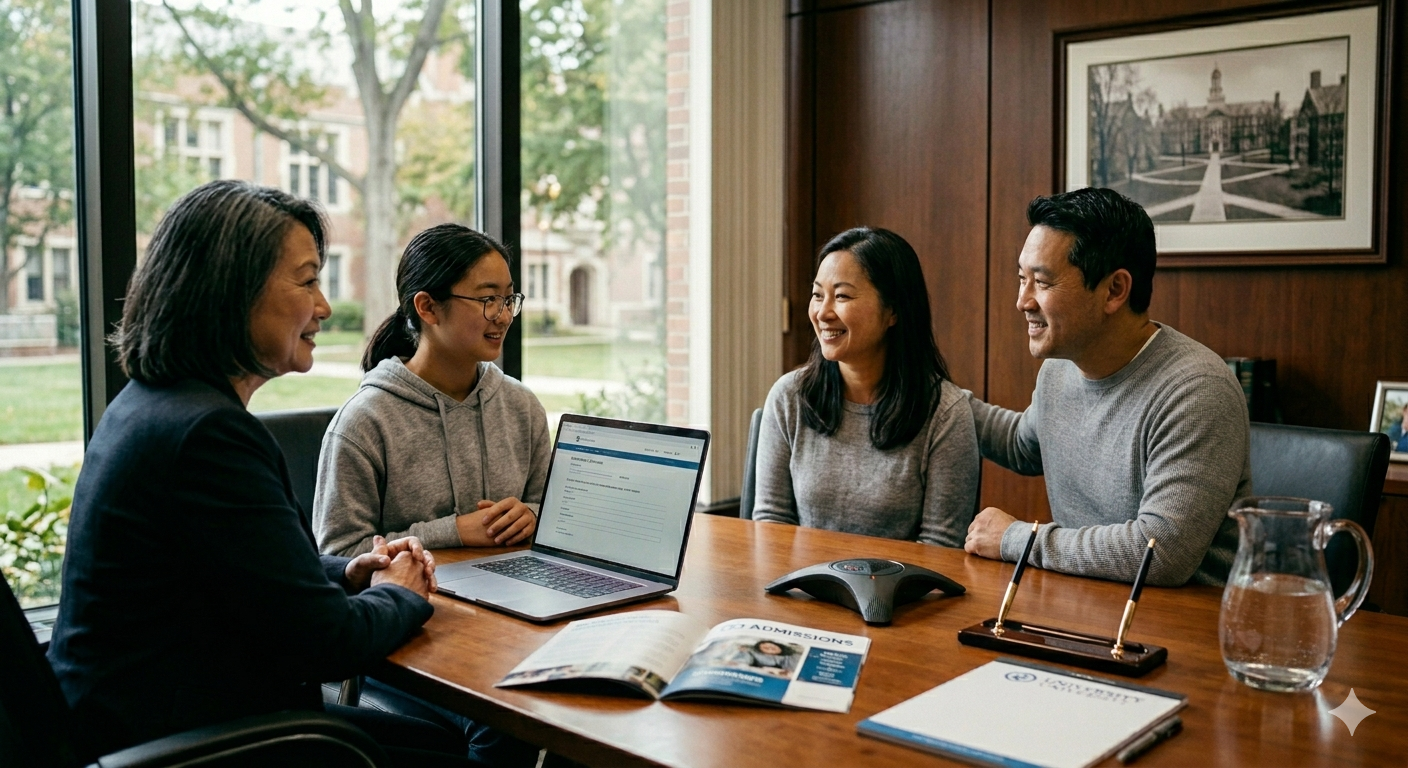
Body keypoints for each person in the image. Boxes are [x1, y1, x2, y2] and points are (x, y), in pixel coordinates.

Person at [45, 180, 461, 764]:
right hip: (195, 742)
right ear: (233, 290)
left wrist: (347, 573)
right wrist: (399, 593)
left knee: (441, 742)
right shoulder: (209, 435)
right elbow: (327, 645)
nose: (323, 306)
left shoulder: (152, 404)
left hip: (142, 724)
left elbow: (236, 567)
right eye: (308, 279)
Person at [964, 187, 1250, 587]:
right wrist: (929, 392)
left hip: (1183, 627)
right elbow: (1021, 444)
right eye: (1021, 279)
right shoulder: (1059, 370)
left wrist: (1019, 539)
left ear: (1115, 290)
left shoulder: (1198, 390)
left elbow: (1160, 551)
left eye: (1042, 283)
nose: (1022, 301)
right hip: (1087, 608)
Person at [313, 224, 549, 558]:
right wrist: (453, 532)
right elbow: (338, 554)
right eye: (488, 299)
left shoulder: (522, 406)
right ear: (427, 307)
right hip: (414, 605)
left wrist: (531, 516)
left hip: (516, 599)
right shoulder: (363, 423)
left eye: (508, 298)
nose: (504, 315)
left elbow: (550, 512)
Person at [752, 227, 980, 546]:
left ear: (893, 311)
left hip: (897, 594)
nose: (822, 312)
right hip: (800, 592)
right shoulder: (789, 396)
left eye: (842, 295)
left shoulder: (945, 414)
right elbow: (771, 526)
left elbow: (940, 549)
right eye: (818, 294)